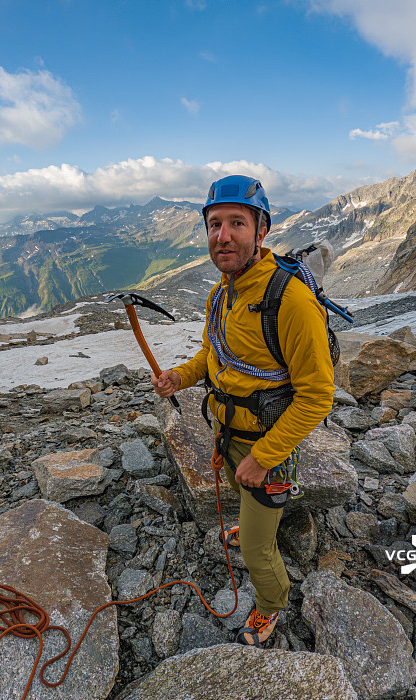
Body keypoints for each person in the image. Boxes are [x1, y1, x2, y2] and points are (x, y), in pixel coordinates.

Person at [151, 175, 335, 646]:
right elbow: (214, 355)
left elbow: (317, 396)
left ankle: (271, 607)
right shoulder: (223, 293)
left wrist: (264, 457)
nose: (223, 235)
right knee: (241, 490)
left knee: (255, 550)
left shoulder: (290, 301)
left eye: (237, 222)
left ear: (261, 230)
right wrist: (180, 376)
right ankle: (258, 513)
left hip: (267, 446)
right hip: (229, 434)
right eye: (215, 224)